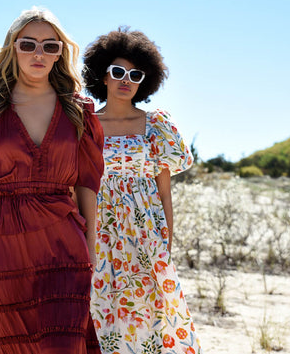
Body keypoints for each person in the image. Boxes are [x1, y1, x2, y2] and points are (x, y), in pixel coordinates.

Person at [0, 6, 104, 354]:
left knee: (65, 344)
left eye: (49, 46)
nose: (38, 54)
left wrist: (91, 243)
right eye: (28, 45)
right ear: (13, 49)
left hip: (63, 244)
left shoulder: (78, 111)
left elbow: (87, 184)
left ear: (60, 54)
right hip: (5, 244)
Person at [82, 27, 202, 354]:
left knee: (147, 311)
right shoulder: (85, 123)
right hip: (99, 230)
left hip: (145, 232)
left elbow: (165, 194)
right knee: (101, 307)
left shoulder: (157, 125)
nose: (126, 79)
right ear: (102, 75)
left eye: (135, 74)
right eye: (118, 71)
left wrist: (167, 244)